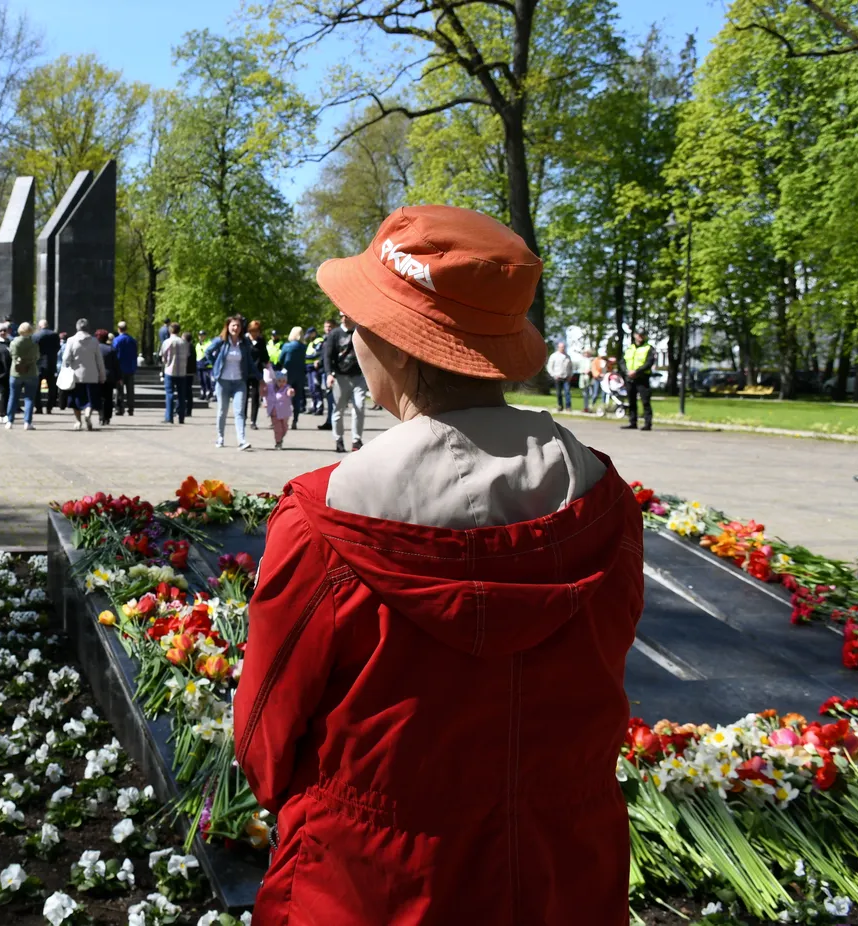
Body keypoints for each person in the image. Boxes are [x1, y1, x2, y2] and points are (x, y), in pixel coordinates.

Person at [235, 204, 640, 926]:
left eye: (360, 321)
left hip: (370, 885)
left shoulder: (323, 518)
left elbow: (265, 735)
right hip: (562, 875)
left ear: (396, 344)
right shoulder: (605, 501)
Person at [204, 315, 257, 450]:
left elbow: (250, 362)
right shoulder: (221, 341)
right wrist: (216, 365)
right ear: (228, 326)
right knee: (222, 411)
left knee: (239, 412)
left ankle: (241, 440)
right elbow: (208, 352)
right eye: (233, 325)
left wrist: (260, 377)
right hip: (223, 382)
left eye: (238, 326)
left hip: (239, 381)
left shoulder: (244, 343)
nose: (235, 328)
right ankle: (220, 438)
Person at [324, 313, 366, 452]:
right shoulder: (335, 334)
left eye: (347, 315)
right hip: (341, 377)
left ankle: (356, 440)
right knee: (338, 409)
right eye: (342, 316)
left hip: (359, 376)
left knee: (359, 406)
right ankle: (338, 439)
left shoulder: (361, 331)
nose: (344, 318)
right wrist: (329, 374)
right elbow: (328, 356)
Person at [59, 318, 104, 431]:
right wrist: (102, 375)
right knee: (89, 399)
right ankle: (88, 414)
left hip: (76, 376)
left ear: (77, 327)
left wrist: (67, 366)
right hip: (92, 376)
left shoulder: (71, 340)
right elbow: (99, 360)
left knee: (76, 400)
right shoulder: (94, 341)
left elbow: (65, 358)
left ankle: (78, 421)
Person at [6, 321, 40, 430]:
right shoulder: (34, 343)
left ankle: (10, 421)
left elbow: (12, 354)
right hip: (31, 372)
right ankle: (27, 422)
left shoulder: (14, 342)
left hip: (16, 373)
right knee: (29, 398)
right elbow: (37, 357)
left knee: (13, 397)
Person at [622, 330, 654, 431]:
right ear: (635, 335)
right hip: (630, 378)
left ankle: (647, 424)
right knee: (631, 401)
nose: (640, 337)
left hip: (642, 378)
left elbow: (649, 363)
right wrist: (626, 371)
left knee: (645, 401)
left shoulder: (648, 348)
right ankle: (632, 422)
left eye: (642, 335)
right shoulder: (629, 348)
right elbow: (622, 361)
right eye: (638, 335)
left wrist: (636, 372)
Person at [278, 326, 308, 429]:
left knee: (284, 397)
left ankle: (284, 418)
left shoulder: (287, 346)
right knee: (297, 398)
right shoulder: (304, 347)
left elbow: (281, 359)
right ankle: (295, 420)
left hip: (288, 374)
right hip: (300, 374)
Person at [159, 322, 188, 425]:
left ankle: (169, 417)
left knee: (169, 394)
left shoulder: (167, 342)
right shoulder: (184, 342)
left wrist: (167, 362)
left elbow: (163, 356)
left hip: (170, 371)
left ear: (170, 330)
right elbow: (187, 355)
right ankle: (181, 418)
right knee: (181, 395)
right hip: (182, 372)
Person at [245, 319, 270, 430]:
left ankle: (253, 421)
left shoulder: (261, 340)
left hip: (257, 372)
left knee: (255, 397)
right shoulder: (244, 340)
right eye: (253, 331)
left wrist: (267, 364)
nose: (255, 333)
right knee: (243, 396)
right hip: (245, 371)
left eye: (257, 331)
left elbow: (265, 355)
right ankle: (242, 418)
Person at [32, 319, 61, 413]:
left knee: (36, 388)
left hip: (39, 364)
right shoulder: (55, 335)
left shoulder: (36, 335)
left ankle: (38, 408)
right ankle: (49, 407)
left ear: (40, 326)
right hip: (51, 363)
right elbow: (58, 347)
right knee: (52, 388)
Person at [263, 366, 294, 450]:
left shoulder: (286, 388)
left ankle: (280, 438)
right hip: (274, 412)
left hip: (284, 412)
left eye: (284, 381)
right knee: (277, 428)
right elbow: (265, 394)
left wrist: (291, 392)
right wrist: (265, 400)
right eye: (279, 381)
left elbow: (289, 392)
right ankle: (278, 442)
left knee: (284, 428)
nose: (282, 383)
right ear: (275, 381)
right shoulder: (270, 387)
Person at [112, 320, 138, 416]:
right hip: (130, 368)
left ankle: (119, 408)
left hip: (120, 369)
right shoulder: (132, 340)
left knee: (119, 390)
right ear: (126, 329)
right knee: (130, 390)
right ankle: (131, 409)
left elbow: (115, 355)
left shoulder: (116, 341)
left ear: (119, 329)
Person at [97, 328, 120, 425]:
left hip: (98, 376)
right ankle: (107, 417)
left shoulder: (95, 349)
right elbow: (116, 365)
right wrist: (119, 377)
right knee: (108, 397)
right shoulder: (111, 349)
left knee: (100, 397)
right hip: (109, 376)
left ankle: (101, 416)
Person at [547, 340, 574, 411]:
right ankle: (560, 406)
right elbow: (549, 367)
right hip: (557, 377)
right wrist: (554, 375)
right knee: (559, 393)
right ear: (558, 348)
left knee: (567, 392)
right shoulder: (554, 356)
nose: (563, 348)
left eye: (564, 347)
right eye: (561, 347)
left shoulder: (568, 356)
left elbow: (571, 368)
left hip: (566, 377)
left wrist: (570, 376)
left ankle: (568, 407)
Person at [182, 331, 198, 419]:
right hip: (190, 371)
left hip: (186, 372)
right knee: (188, 391)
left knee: (185, 391)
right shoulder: (192, 346)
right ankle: (188, 410)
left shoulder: (186, 346)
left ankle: (186, 410)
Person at [196, 330, 214, 398]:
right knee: (201, 380)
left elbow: (211, 354)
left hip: (206, 365)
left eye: (202, 335)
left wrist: (208, 362)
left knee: (206, 380)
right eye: (199, 335)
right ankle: (202, 393)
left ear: (205, 336)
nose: (201, 337)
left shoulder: (209, 343)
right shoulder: (198, 344)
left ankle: (208, 393)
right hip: (199, 364)